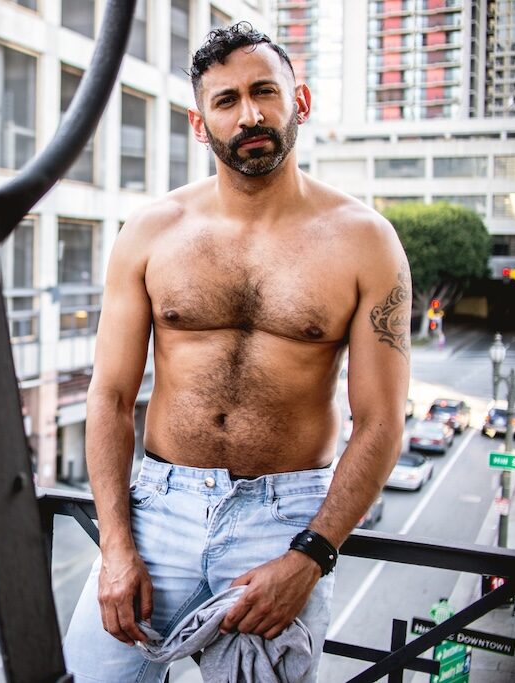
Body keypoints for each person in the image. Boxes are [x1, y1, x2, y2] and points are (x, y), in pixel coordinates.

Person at [63, 22, 410, 683]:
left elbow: (382, 421)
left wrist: (311, 555)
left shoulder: (365, 241)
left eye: (264, 92)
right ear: (201, 123)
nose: (249, 114)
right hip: (158, 507)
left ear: (298, 102)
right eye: (226, 101)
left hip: (284, 520)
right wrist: (115, 542)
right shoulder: (151, 231)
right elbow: (107, 398)